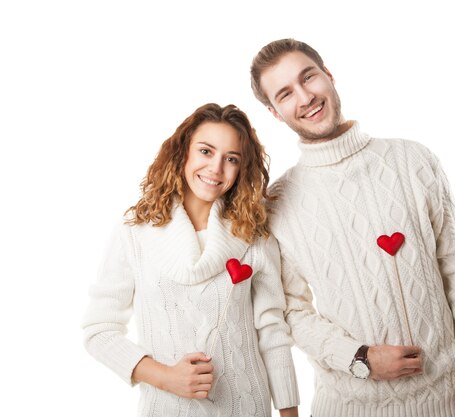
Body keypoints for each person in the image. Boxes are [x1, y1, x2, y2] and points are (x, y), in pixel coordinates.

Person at [250, 39, 455, 417]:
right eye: (285, 93)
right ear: (275, 112)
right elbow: (292, 312)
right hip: (347, 407)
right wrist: (359, 358)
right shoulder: (278, 203)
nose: (305, 97)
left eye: (308, 77)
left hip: (445, 400)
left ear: (328, 75)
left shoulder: (412, 160)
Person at [82, 103, 299, 417]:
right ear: (182, 152)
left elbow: (272, 331)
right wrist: (165, 377)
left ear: (241, 169)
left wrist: (289, 413)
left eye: (232, 159)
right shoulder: (135, 233)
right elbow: (99, 330)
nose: (216, 169)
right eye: (206, 151)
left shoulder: (254, 235)